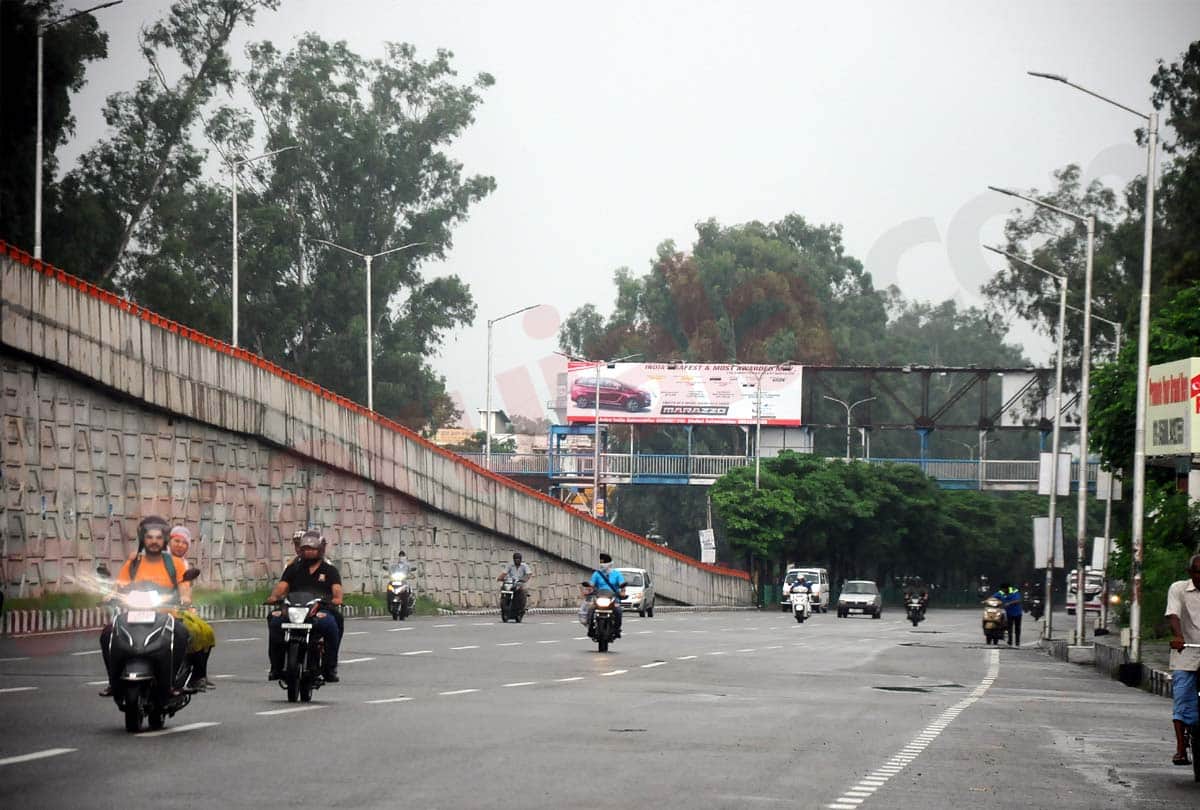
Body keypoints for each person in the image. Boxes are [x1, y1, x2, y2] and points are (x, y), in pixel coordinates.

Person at [98, 515, 191, 697]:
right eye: (149, 537)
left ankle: (171, 682)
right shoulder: (134, 562)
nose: (154, 542)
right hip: (133, 616)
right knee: (108, 634)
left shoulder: (175, 563)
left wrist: (185, 598)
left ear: (164, 540)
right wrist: (110, 595)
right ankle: (113, 682)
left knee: (181, 634)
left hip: (166, 615)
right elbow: (120, 585)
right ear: (143, 539)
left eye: (158, 538)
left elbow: (184, 587)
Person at [265, 530, 344, 683]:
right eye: (306, 549)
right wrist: (274, 597)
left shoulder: (330, 570)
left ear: (320, 550)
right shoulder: (293, 568)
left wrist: (335, 600)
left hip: (319, 610)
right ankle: (276, 666)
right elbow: (282, 587)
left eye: (312, 549)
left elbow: (337, 593)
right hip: (293, 609)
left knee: (333, 623)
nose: (309, 552)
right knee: (274, 621)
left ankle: (329, 667)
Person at [168, 526, 218, 691]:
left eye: (184, 543)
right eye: (176, 541)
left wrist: (187, 602)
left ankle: (198, 675)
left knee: (203, 631)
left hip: (174, 608)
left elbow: (185, 587)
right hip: (148, 609)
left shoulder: (183, 564)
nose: (180, 545)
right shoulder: (151, 560)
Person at [1166, 553, 1200, 766]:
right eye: (1198, 572)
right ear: (1190, 573)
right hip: (1186, 652)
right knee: (1182, 698)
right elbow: (1173, 615)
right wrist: (1178, 637)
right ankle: (1180, 749)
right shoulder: (1178, 589)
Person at [582, 553, 626, 636]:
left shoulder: (617, 574)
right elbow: (591, 584)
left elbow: (622, 584)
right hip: (599, 597)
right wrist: (588, 589)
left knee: (618, 611)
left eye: (604, 563)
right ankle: (590, 629)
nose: (602, 565)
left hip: (613, 598)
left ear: (610, 564)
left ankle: (617, 629)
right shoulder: (597, 574)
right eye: (601, 563)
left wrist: (623, 592)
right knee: (591, 610)